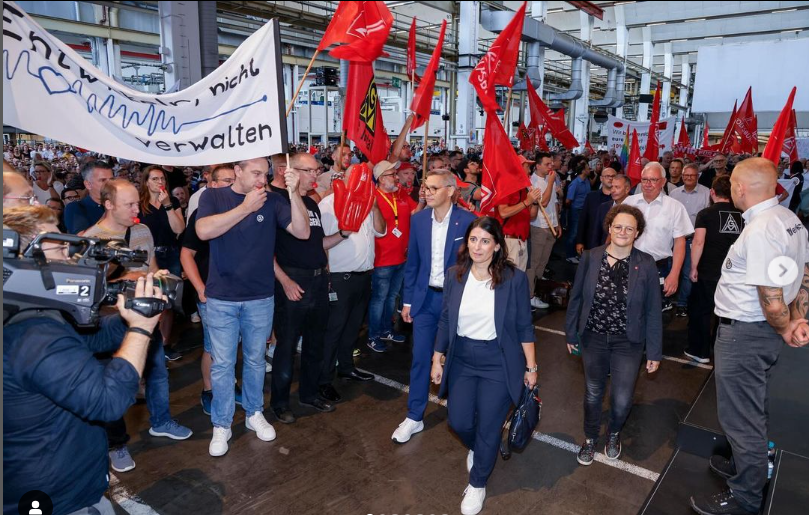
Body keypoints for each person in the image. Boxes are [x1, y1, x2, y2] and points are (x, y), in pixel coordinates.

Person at [3, 205, 166, 515]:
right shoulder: (34, 336)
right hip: (59, 496)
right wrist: (142, 328)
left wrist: (128, 315)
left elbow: (88, 341)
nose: (68, 254)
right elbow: (108, 401)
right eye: (59, 246)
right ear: (24, 257)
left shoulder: (28, 313)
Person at [691, 158, 809, 515]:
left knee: (741, 418)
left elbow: (771, 296)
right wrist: (800, 317)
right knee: (751, 408)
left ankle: (744, 495)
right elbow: (802, 274)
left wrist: (786, 324)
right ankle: (747, 467)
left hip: (746, 333)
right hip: (757, 334)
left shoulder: (761, 230)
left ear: (741, 189)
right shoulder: (789, 220)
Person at [196, 156, 310, 457]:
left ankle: (253, 412)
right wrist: (245, 207)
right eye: (256, 173)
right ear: (237, 171)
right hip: (221, 297)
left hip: (260, 296)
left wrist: (295, 193)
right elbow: (203, 231)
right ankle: (221, 424)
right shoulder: (214, 195)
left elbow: (302, 231)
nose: (262, 179)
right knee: (222, 365)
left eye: (266, 174)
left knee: (256, 360)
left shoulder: (272, 201)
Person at [82, 179, 192, 471]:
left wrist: (157, 276)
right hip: (109, 323)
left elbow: (151, 266)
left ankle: (161, 421)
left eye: (136, 202)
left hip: (146, 315)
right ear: (108, 205)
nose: (136, 209)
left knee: (157, 372)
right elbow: (88, 290)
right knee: (111, 384)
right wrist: (125, 281)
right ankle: (116, 445)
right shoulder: (91, 240)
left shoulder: (142, 230)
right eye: (129, 204)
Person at [428, 216, 536, 515]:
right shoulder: (455, 275)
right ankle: (480, 448)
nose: (478, 246)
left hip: (498, 362)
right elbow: (447, 318)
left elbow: (525, 326)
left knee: (489, 425)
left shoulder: (514, 280)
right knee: (459, 422)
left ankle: (477, 484)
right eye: (473, 239)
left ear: (497, 246)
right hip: (462, 357)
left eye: (485, 241)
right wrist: (438, 357)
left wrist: (531, 367)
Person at [565, 204, 662, 467]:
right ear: (609, 228)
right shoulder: (590, 257)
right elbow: (575, 299)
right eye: (618, 226)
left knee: (621, 398)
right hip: (593, 337)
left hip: (628, 342)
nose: (622, 231)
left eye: (629, 228)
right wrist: (571, 333)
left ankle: (614, 433)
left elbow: (653, 309)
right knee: (593, 393)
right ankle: (590, 438)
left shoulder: (646, 263)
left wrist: (654, 351)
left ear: (637, 232)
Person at [392, 170, 477, 444]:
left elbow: (476, 265)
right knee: (420, 359)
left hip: (457, 302)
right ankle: (414, 416)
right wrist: (408, 301)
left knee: (459, 359)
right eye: (425, 187)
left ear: (451, 191)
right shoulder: (417, 221)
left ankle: (464, 414)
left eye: (433, 188)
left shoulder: (468, 221)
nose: (425, 192)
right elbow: (413, 263)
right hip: (426, 301)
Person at [270, 153, 345, 422]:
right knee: (287, 345)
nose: (316, 175)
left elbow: (319, 244)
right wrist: (285, 280)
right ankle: (279, 403)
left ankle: (309, 393)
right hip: (292, 281)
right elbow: (264, 252)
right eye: (310, 171)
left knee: (316, 343)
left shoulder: (312, 205)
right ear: (289, 171)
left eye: (317, 170)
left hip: (317, 281)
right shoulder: (275, 202)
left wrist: (343, 234)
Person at [317, 163, 386, 400]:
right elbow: (321, 242)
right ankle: (323, 380)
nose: (363, 183)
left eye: (367, 179)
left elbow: (381, 231)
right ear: (345, 179)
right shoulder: (328, 204)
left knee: (352, 328)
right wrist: (326, 276)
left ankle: (346, 367)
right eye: (359, 178)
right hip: (339, 277)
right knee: (333, 331)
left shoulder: (368, 202)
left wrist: (375, 207)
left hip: (364, 275)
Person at [180, 164, 239, 416]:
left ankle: (228, 385)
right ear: (212, 184)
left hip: (240, 293)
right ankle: (209, 390)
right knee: (214, 348)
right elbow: (186, 256)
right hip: (212, 294)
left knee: (232, 346)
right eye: (226, 180)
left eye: (234, 179)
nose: (232, 184)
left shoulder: (243, 210)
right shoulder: (201, 215)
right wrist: (201, 289)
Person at [685, 175, 743, 364]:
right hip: (734, 273)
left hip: (708, 271)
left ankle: (699, 351)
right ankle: (721, 351)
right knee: (725, 314)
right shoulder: (743, 214)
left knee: (701, 311)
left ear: (712, 192)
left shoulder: (705, 214)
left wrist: (693, 267)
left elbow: (698, 241)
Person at [623, 162, 694, 311]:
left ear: (663, 181)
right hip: (627, 265)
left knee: (654, 313)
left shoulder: (675, 207)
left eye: (653, 180)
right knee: (626, 309)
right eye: (644, 179)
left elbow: (680, 243)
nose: (648, 184)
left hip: (658, 269)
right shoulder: (628, 203)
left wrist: (674, 275)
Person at [366, 160, 419, 353]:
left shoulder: (400, 195)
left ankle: (386, 330)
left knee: (391, 298)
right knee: (379, 299)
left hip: (401, 257)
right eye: (391, 175)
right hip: (382, 258)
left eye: (395, 174)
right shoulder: (373, 197)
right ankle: (372, 335)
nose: (396, 177)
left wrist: (421, 201)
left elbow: (416, 214)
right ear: (380, 179)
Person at [138, 165, 186, 361]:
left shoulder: (172, 201)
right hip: (148, 257)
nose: (160, 183)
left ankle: (165, 344)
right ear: (146, 181)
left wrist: (167, 205)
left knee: (168, 302)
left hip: (170, 254)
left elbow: (179, 229)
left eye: (162, 179)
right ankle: (148, 346)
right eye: (155, 179)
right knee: (150, 301)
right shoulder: (139, 204)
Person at [669, 163, 711, 317]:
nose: (688, 178)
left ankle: (682, 303)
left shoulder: (706, 193)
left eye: (692, 175)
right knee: (670, 269)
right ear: (682, 176)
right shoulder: (674, 193)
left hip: (693, 239)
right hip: (673, 239)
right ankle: (667, 299)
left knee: (688, 272)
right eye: (686, 175)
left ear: (697, 177)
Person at [496, 155, 541, 271]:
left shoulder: (524, 189)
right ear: (518, 168)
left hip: (522, 241)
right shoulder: (506, 185)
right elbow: (503, 213)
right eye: (527, 166)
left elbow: (531, 216)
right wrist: (527, 202)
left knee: (518, 280)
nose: (529, 170)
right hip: (509, 241)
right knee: (508, 280)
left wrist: (534, 202)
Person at [526, 152, 558, 310]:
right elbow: (543, 203)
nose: (550, 167)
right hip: (538, 226)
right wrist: (551, 182)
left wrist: (557, 223)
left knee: (542, 263)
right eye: (547, 164)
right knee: (534, 263)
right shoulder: (533, 181)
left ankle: (535, 290)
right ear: (537, 165)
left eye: (551, 164)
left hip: (550, 226)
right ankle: (529, 295)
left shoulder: (549, 178)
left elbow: (554, 202)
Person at [64, 160, 114, 234]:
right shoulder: (75, 208)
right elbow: (82, 239)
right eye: (103, 180)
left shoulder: (120, 204)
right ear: (88, 184)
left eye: (112, 180)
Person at [576, 167, 616, 254]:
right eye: (607, 176)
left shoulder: (622, 199)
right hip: (591, 241)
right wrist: (580, 241)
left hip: (613, 244)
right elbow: (583, 219)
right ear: (601, 178)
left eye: (613, 176)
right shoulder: (591, 196)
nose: (610, 178)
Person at [565, 158, 592, 264]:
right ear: (583, 171)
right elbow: (568, 200)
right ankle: (569, 255)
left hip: (584, 210)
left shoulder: (586, 181)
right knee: (573, 233)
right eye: (587, 169)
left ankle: (576, 253)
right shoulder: (575, 183)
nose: (590, 170)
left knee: (580, 233)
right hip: (576, 211)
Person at [594, 174, 632, 246]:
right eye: (612, 187)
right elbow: (596, 234)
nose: (612, 190)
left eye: (617, 187)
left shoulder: (635, 208)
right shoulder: (603, 207)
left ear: (627, 189)